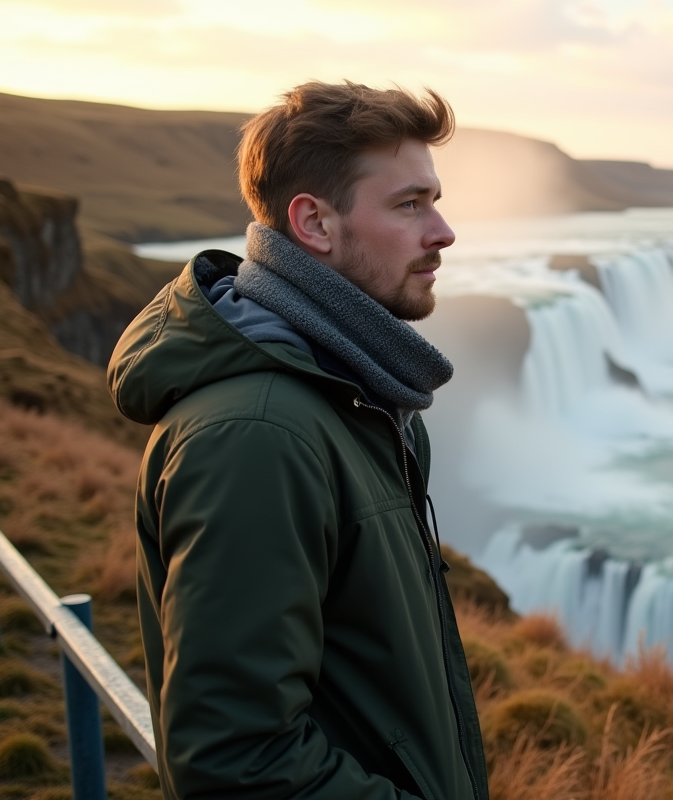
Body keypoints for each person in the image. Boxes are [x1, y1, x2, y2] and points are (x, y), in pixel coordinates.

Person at [107, 81, 488, 800]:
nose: (442, 231)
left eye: (434, 200)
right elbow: (235, 762)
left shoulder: (356, 394)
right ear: (313, 223)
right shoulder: (257, 436)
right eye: (410, 204)